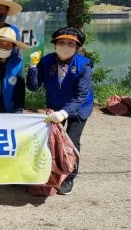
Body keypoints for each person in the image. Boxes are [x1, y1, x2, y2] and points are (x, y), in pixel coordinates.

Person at [27, 27, 93, 196]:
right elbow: (33, 87)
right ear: (55, 45)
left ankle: (69, 177)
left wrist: (64, 113)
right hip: (55, 105)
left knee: (72, 141)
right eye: (62, 42)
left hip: (80, 108)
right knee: (52, 140)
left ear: (77, 47)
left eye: (71, 44)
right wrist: (33, 67)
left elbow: (81, 96)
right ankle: (52, 170)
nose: (65, 46)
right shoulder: (46, 61)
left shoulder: (84, 65)